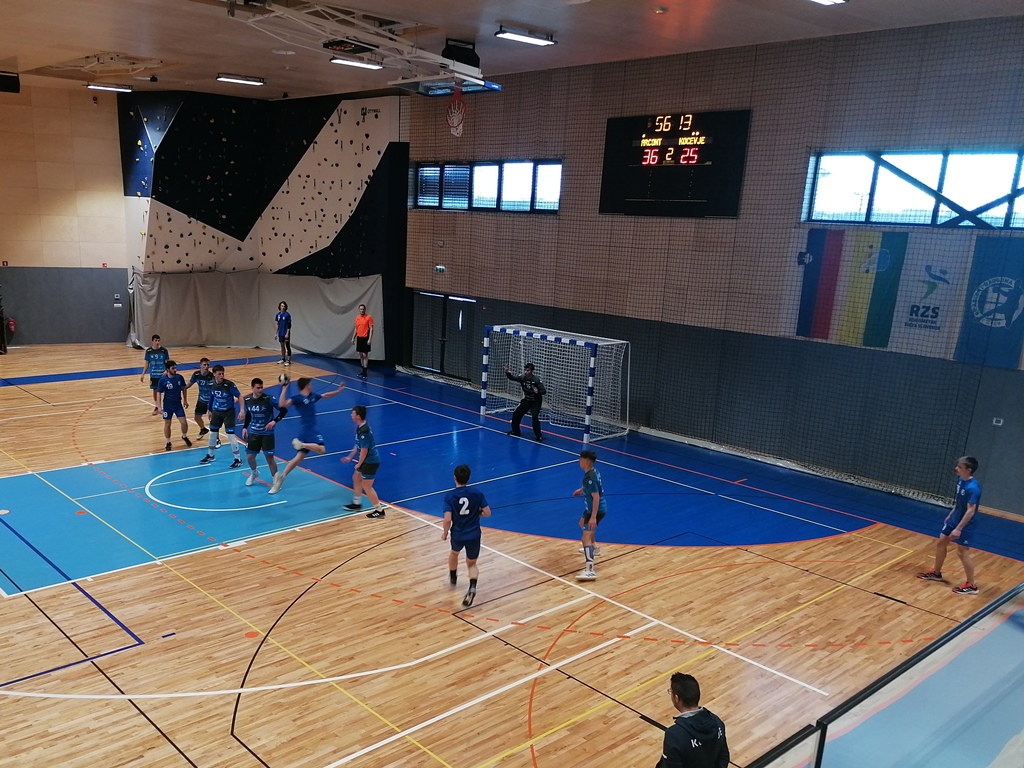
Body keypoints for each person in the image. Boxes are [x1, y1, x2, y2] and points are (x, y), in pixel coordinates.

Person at [269, 376, 346, 495]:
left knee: (299, 457)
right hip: (309, 430)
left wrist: (338, 391)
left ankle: (281, 478)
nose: (311, 386)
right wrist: (284, 388)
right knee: (322, 450)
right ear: (306, 386)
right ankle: (302, 444)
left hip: (305, 431)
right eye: (310, 384)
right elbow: (282, 403)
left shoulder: (312, 396)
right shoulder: (297, 399)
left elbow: (326, 395)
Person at [917, 456, 982, 595]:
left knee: (962, 552)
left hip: (966, 523)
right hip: (955, 518)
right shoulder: (960, 480)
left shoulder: (973, 488)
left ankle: (971, 585)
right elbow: (959, 502)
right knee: (941, 543)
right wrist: (952, 513)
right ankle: (936, 573)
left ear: (969, 470)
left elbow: (970, 511)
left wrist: (959, 528)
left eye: (960, 467)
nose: (956, 469)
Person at [442, 464, 492, 607]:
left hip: (458, 534)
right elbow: (487, 513)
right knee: (472, 563)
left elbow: (447, 519)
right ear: (468, 478)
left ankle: (453, 577)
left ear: (454, 478)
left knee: (454, 553)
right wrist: (477, 513)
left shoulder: (450, 496)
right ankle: (472, 588)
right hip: (474, 534)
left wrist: (445, 533)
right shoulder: (477, 493)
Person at [657, 673, 730, 768]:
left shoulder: (674, 735)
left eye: (671, 692)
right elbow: (724, 757)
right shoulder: (716, 721)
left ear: (676, 698)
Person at [241, 377, 286, 488]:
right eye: (258, 388)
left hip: (267, 433)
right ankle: (254, 473)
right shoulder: (248, 400)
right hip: (254, 432)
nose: (260, 390)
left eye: (262, 387)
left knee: (269, 458)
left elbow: (283, 410)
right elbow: (249, 413)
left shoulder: (269, 399)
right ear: (252, 388)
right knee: (250, 456)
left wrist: (274, 421)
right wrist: (245, 427)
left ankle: (275, 481)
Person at [342, 405, 385, 518]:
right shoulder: (360, 427)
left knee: (367, 487)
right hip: (366, 460)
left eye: (353, 413)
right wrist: (350, 457)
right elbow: (358, 445)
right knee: (356, 478)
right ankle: (357, 503)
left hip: (370, 462)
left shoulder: (364, 431)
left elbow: (364, 451)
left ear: (358, 416)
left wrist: (359, 464)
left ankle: (379, 511)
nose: (351, 415)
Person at [198, 364, 243, 468]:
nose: (221, 376)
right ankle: (210, 455)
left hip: (228, 412)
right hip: (217, 412)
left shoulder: (229, 385)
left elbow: (239, 396)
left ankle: (238, 459)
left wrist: (242, 410)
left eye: (223, 374)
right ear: (214, 374)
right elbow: (212, 397)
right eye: (219, 374)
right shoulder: (211, 384)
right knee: (212, 434)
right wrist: (209, 409)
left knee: (230, 435)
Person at [573, 449, 606, 581]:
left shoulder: (589, 478)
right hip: (590, 509)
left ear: (586, 461)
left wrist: (593, 517)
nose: (579, 461)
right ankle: (595, 548)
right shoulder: (593, 471)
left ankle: (590, 570)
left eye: (581, 459)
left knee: (585, 538)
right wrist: (581, 490)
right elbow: (593, 486)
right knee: (581, 523)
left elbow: (596, 497)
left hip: (595, 510)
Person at [503, 362, 546, 441]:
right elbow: (512, 378)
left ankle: (538, 436)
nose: (526, 372)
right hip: (527, 400)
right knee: (516, 414)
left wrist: (538, 391)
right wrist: (507, 373)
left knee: (535, 417)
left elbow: (544, 391)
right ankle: (515, 431)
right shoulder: (522, 378)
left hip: (535, 402)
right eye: (525, 370)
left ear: (532, 371)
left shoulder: (536, 380)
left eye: (528, 370)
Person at [158, 361, 192, 451]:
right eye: (173, 368)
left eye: (175, 368)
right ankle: (168, 442)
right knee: (167, 424)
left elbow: (184, 388)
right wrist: (159, 406)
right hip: (167, 405)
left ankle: (184, 436)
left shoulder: (179, 377)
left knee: (184, 422)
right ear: (168, 369)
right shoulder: (163, 380)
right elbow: (159, 393)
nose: (175, 370)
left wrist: (185, 400)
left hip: (178, 404)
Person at [140, 334, 170, 415]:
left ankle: (165, 407)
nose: (157, 342)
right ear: (152, 341)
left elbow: (168, 363)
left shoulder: (164, 351)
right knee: (155, 390)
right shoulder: (149, 351)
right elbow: (147, 363)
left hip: (163, 375)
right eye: (155, 340)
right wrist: (143, 374)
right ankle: (157, 406)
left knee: (165, 390)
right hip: (154, 375)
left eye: (158, 340)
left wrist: (167, 371)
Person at [186, 357, 214, 438]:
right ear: (200, 365)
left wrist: (210, 407)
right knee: (197, 417)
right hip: (201, 400)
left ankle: (215, 437)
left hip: (211, 400)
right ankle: (203, 429)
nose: (206, 366)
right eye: (204, 365)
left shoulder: (212, 376)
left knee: (212, 419)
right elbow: (189, 385)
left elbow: (215, 390)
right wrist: (181, 388)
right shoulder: (196, 374)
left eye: (208, 365)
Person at [352, 303, 373, 378]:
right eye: (361, 309)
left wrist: (369, 339)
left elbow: (371, 329)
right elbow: (356, 328)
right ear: (359, 310)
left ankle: (365, 371)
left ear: (365, 310)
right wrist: (353, 338)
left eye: (363, 309)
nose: (362, 310)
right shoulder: (357, 318)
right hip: (359, 337)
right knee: (360, 355)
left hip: (365, 338)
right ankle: (362, 370)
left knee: (365, 355)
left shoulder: (369, 317)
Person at [275, 301, 292, 366]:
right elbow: (277, 324)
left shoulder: (287, 315)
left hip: (286, 333)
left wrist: (287, 333)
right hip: (280, 333)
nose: (283, 307)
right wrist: (276, 333)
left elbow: (289, 325)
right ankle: (283, 358)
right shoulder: (278, 315)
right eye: (282, 306)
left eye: (284, 306)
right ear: (279, 307)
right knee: (282, 346)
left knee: (287, 346)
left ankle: (288, 360)